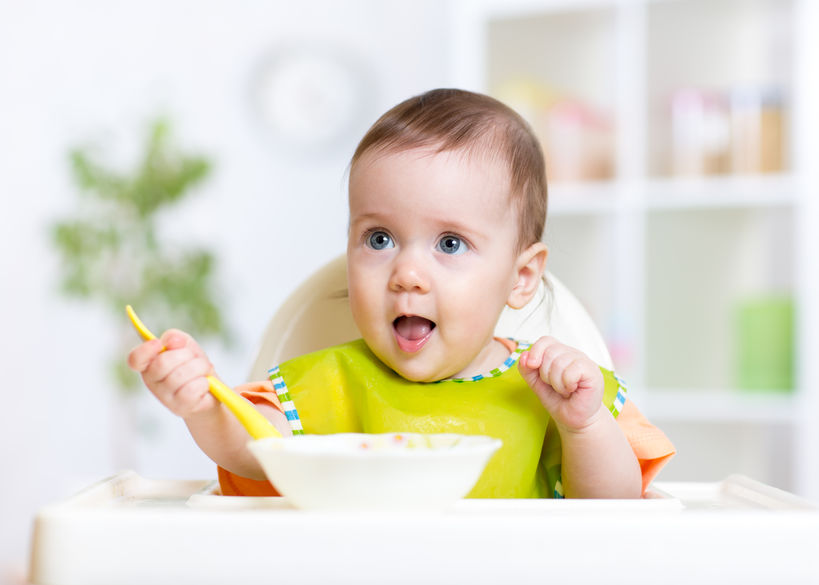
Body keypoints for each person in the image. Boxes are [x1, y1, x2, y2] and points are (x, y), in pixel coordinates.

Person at [128, 88, 674, 499]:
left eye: (451, 243)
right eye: (380, 238)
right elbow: (251, 448)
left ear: (521, 277)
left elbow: (613, 510)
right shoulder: (333, 383)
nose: (407, 273)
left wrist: (584, 426)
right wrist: (202, 403)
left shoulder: (550, 391)